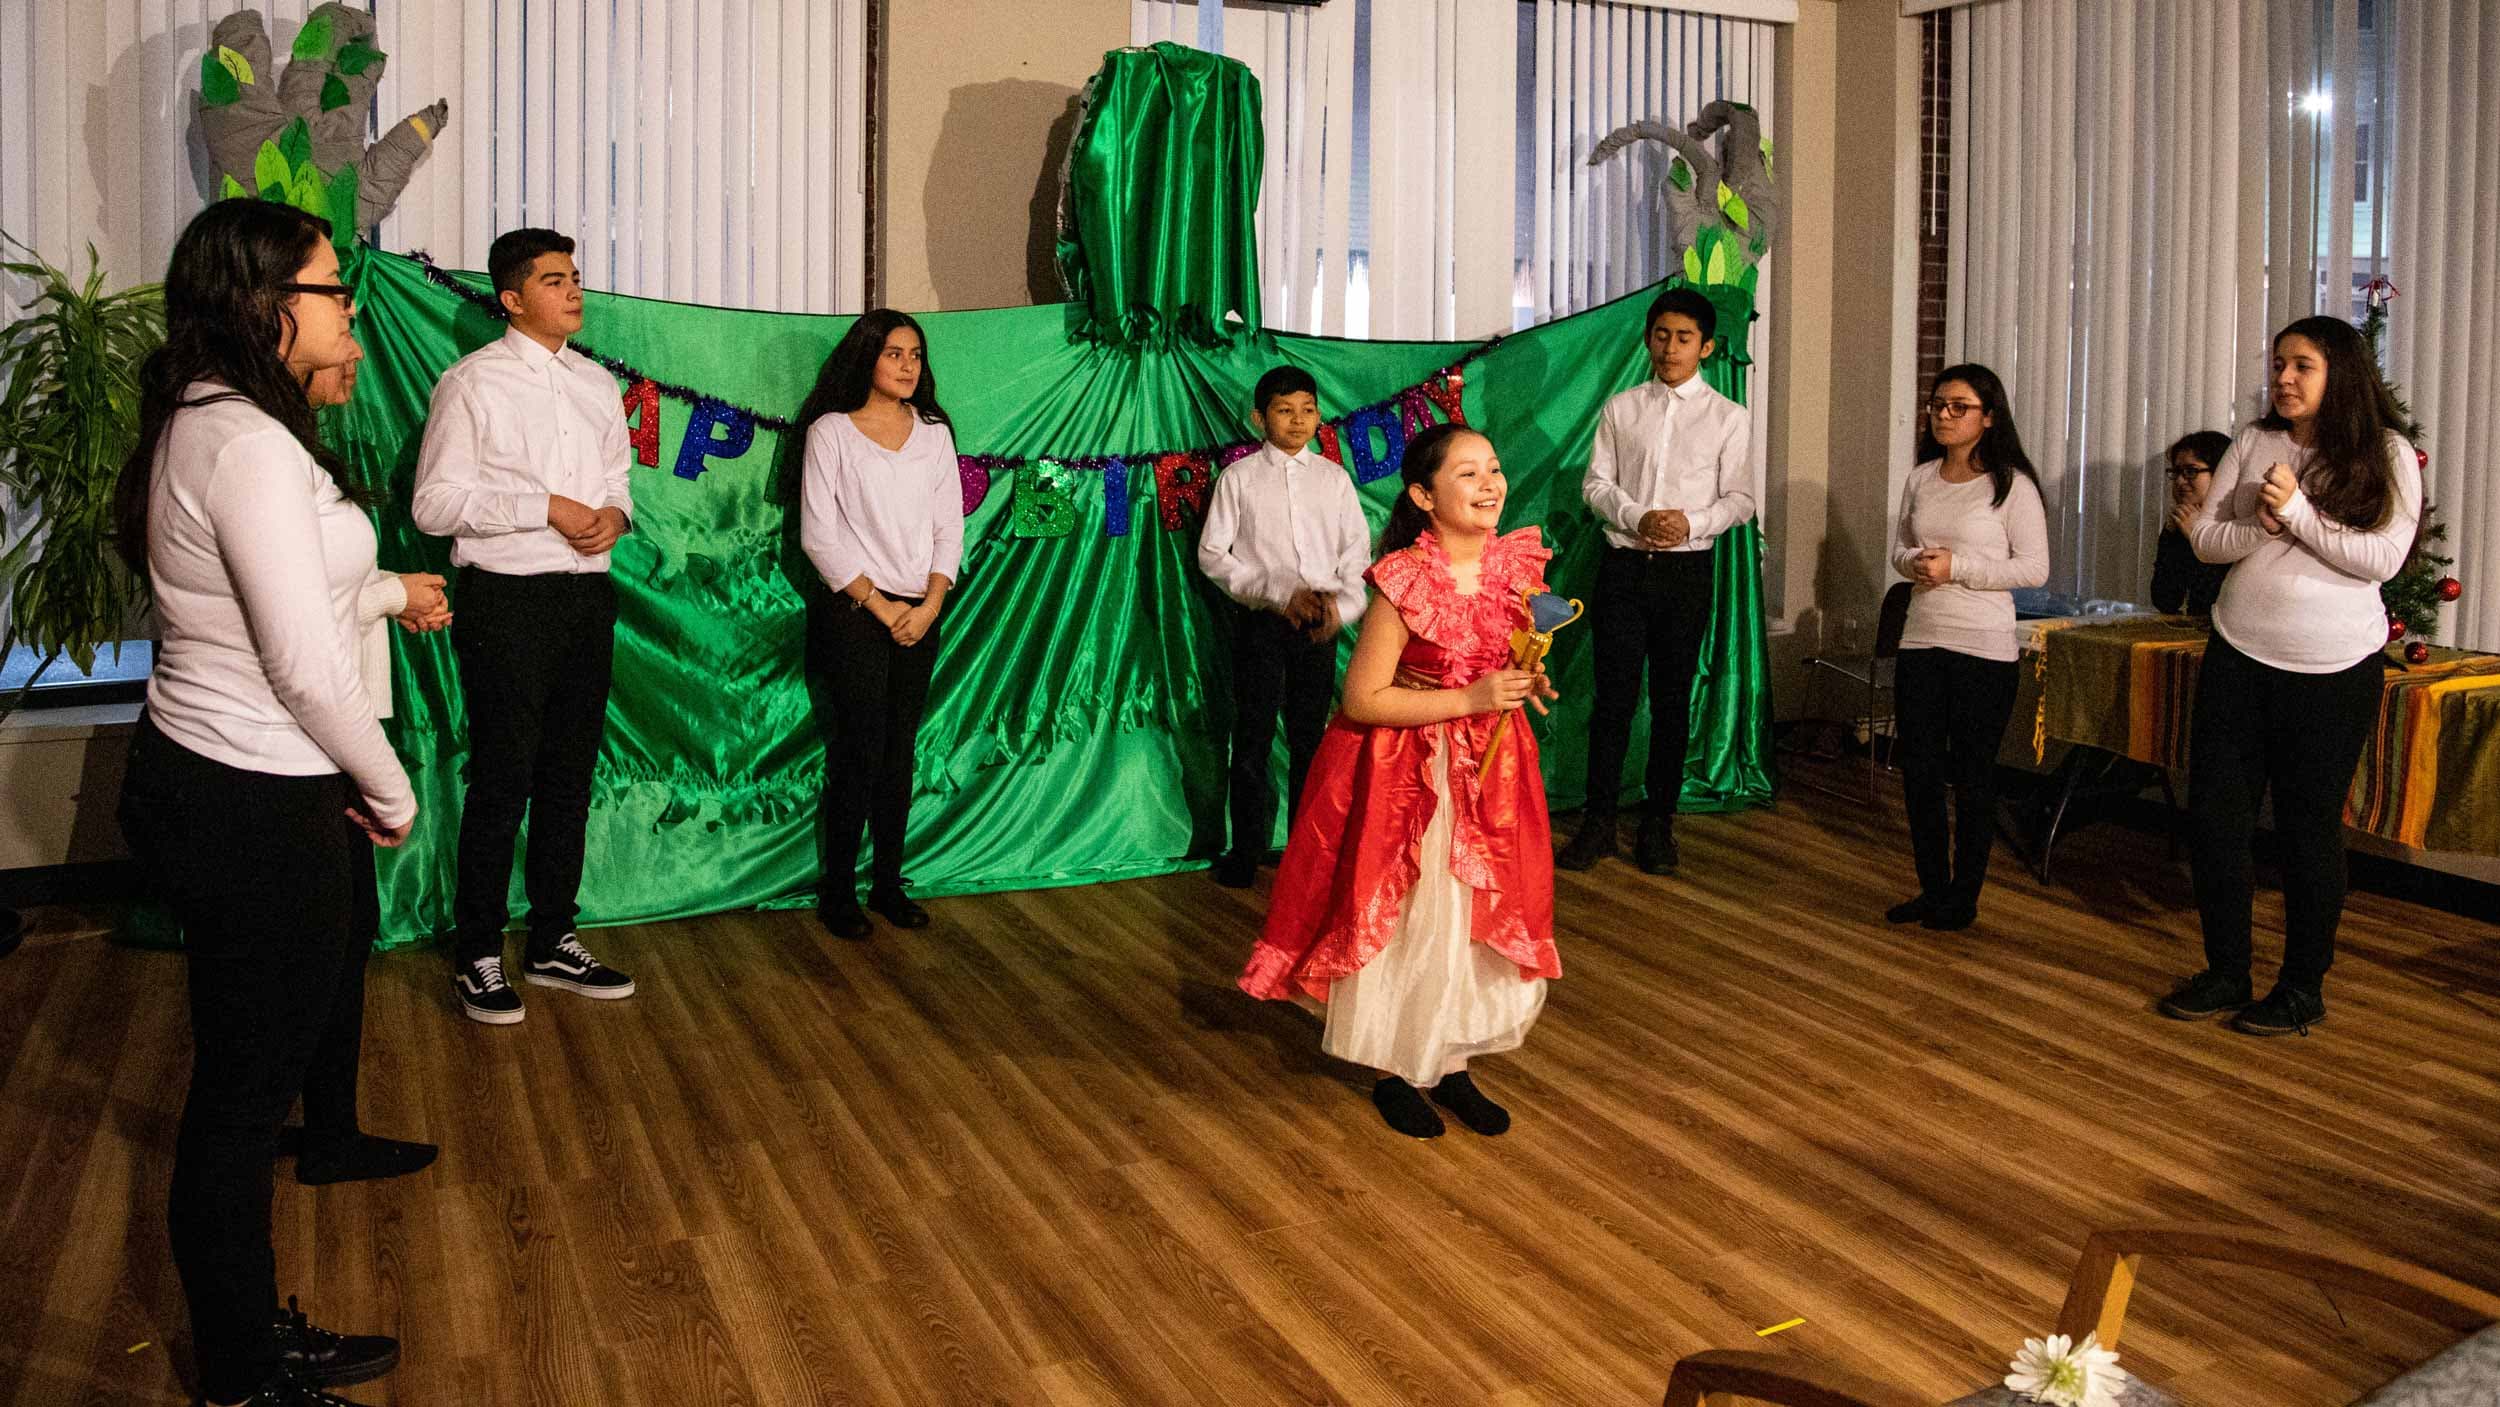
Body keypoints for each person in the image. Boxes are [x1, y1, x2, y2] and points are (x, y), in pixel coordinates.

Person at [113, 197, 409, 1407]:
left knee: (243, 1088)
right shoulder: (245, 443)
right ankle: (242, 1374)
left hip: (215, 778)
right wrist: (385, 788)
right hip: (251, 797)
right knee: (240, 1107)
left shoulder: (214, 420)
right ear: (263, 305)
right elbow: (299, 662)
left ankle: (248, 1339)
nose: (351, 313)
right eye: (334, 290)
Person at [1239, 422, 1562, 1140]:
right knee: (1414, 916)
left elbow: (1503, 656)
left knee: (1472, 921)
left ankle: (1450, 1059)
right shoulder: (1404, 580)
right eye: (1468, 474)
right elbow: (1363, 698)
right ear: (1423, 494)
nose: (1490, 484)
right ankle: (1394, 1066)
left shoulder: (1519, 567)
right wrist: (1470, 700)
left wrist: (1522, 681)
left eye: (1495, 469)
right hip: (1409, 777)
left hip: (1493, 772)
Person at [2159, 316, 2422, 1036]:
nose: (2283, 377)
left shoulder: (2386, 452)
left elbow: (2382, 560)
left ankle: (2302, 986)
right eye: (2278, 363)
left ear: (2340, 373)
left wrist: (2298, 511)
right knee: (2216, 818)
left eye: (2301, 365)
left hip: (2331, 671)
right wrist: (2263, 527)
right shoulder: (2254, 441)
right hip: (2239, 653)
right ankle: (2226, 970)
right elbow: (2208, 541)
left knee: (2308, 831)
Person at [413, 227, 638, 1024]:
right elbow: (433, 505)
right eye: (553, 279)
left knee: (569, 779)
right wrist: (542, 505)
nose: (574, 290)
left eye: (575, 276)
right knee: (504, 778)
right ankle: (479, 949)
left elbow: (619, 480)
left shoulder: (596, 384)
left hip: (586, 601)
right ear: (511, 298)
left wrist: (613, 514)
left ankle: (552, 937)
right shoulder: (471, 384)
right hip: (506, 602)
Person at [1559, 286, 1755, 876]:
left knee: (1671, 703)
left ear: (1708, 347)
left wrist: (1689, 522)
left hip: (1686, 572)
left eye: (1685, 338)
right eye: (1662, 335)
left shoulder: (1729, 417)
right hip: (1623, 566)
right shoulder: (1622, 408)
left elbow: (1741, 500)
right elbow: (1596, 485)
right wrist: (1635, 515)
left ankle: (1658, 826)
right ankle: (1598, 824)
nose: (1671, 348)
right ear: (1648, 340)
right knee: (1611, 699)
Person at [794, 309, 965, 939]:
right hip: (857, 613)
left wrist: (929, 605)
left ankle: (889, 883)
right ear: (866, 358)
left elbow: (950, 525)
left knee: (900, 751)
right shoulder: (832, 432)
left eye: (915, 355)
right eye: (894, 353)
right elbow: (819, 535)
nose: (907, 366)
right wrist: (883, 605)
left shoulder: (934, 434)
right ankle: (838, 890)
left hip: (920, 611)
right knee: (859, 749)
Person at [1884, 364, 2050, 932]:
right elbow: (1902, 549)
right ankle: (1931, 887)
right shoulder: (1922, 477)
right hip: (1922, 636)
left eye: (1959, 407)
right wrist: (1917, 565)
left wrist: (1959, 568)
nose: (1944, 416)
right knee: (1920, 772)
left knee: (1974, 775)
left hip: (1983, 645)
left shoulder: (2011, 485)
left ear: (1989, 417)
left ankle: (1964, 895)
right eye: (1937, 406)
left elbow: (2034, 568)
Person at [1196, 365, 1371, 888]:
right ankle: (1245, 850)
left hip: (1318, 624)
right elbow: (1212, 555)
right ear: (1259, 417)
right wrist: (1276, 592)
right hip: (1262, 626)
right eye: (1284, 410)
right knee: (1251, 737)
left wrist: (1342, 607)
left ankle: (1307, 852)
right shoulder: (1239, 479)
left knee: (1310, 740)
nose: (1298, 421)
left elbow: (1356, 553)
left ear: (1319, 416)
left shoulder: (1334, 480)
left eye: (1308, 410)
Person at [2151, 430, 2232, 615]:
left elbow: (2217, 603)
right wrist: (2170, 538)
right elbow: (2165, 601)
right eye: (2176, 472)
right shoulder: (2183, 520)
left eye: (2191, 471)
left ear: (2221, 473)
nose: (2180, 481)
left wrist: (2199, 539)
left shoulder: (2238, 526)